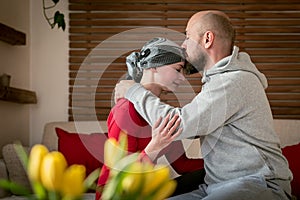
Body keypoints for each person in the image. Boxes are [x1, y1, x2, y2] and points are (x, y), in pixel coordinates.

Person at [114, 10, 293, 200]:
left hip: (257, 183)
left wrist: (133, 91)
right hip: (217, 186)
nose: (183, 45)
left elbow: (179, 125)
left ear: (207, 39)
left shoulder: (233, 81)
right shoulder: (217, 82)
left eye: (188, 36)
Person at [95, 37, 205, 200]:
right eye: (177, 69)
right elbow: (122, 175)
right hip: (116, 194)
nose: (183, 78)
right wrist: (154, 147)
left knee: (209, 178)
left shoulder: (160, 113)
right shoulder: (125, 110)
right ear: (153, 66)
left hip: (144, 191)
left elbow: (183, 165)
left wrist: (225, 166)